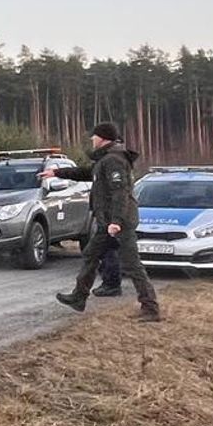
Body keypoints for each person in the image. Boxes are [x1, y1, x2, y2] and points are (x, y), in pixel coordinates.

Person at [40, 123, 160, 321]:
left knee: (132, 265)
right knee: (90, 254)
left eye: (94, 136)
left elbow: (120, 193)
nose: (92, 140)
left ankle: (151, 308)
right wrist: (57, 173)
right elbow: (88, 173)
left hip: (118, 223)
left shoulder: (114, 160)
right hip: (108, 222)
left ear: (103, 138)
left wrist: (117, 221)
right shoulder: (104, 160)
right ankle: (79, 297)